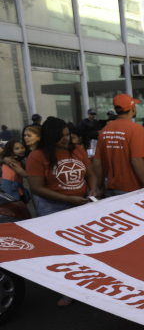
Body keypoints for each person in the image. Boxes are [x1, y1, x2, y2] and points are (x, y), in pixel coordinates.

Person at [27, 118, 98, 306]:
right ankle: (68, 290)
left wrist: (92, 190)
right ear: (51, 137)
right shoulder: (37, 156)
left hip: (81, 204)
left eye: (68, 134)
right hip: (53, 208)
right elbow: (36, 188)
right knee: (62, 253)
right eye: (61, 136)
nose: (66, 139)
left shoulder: (78, 150)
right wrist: (68, 199)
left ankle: (87, 285)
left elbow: (90, 174)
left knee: (84, 248)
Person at [93, 93, 144, 197]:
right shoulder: (136, 129)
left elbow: (97, 162)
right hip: (133, 189)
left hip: (110, 188)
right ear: (133, 108)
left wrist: (101, 187)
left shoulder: (104, 130)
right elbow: (136, 160)